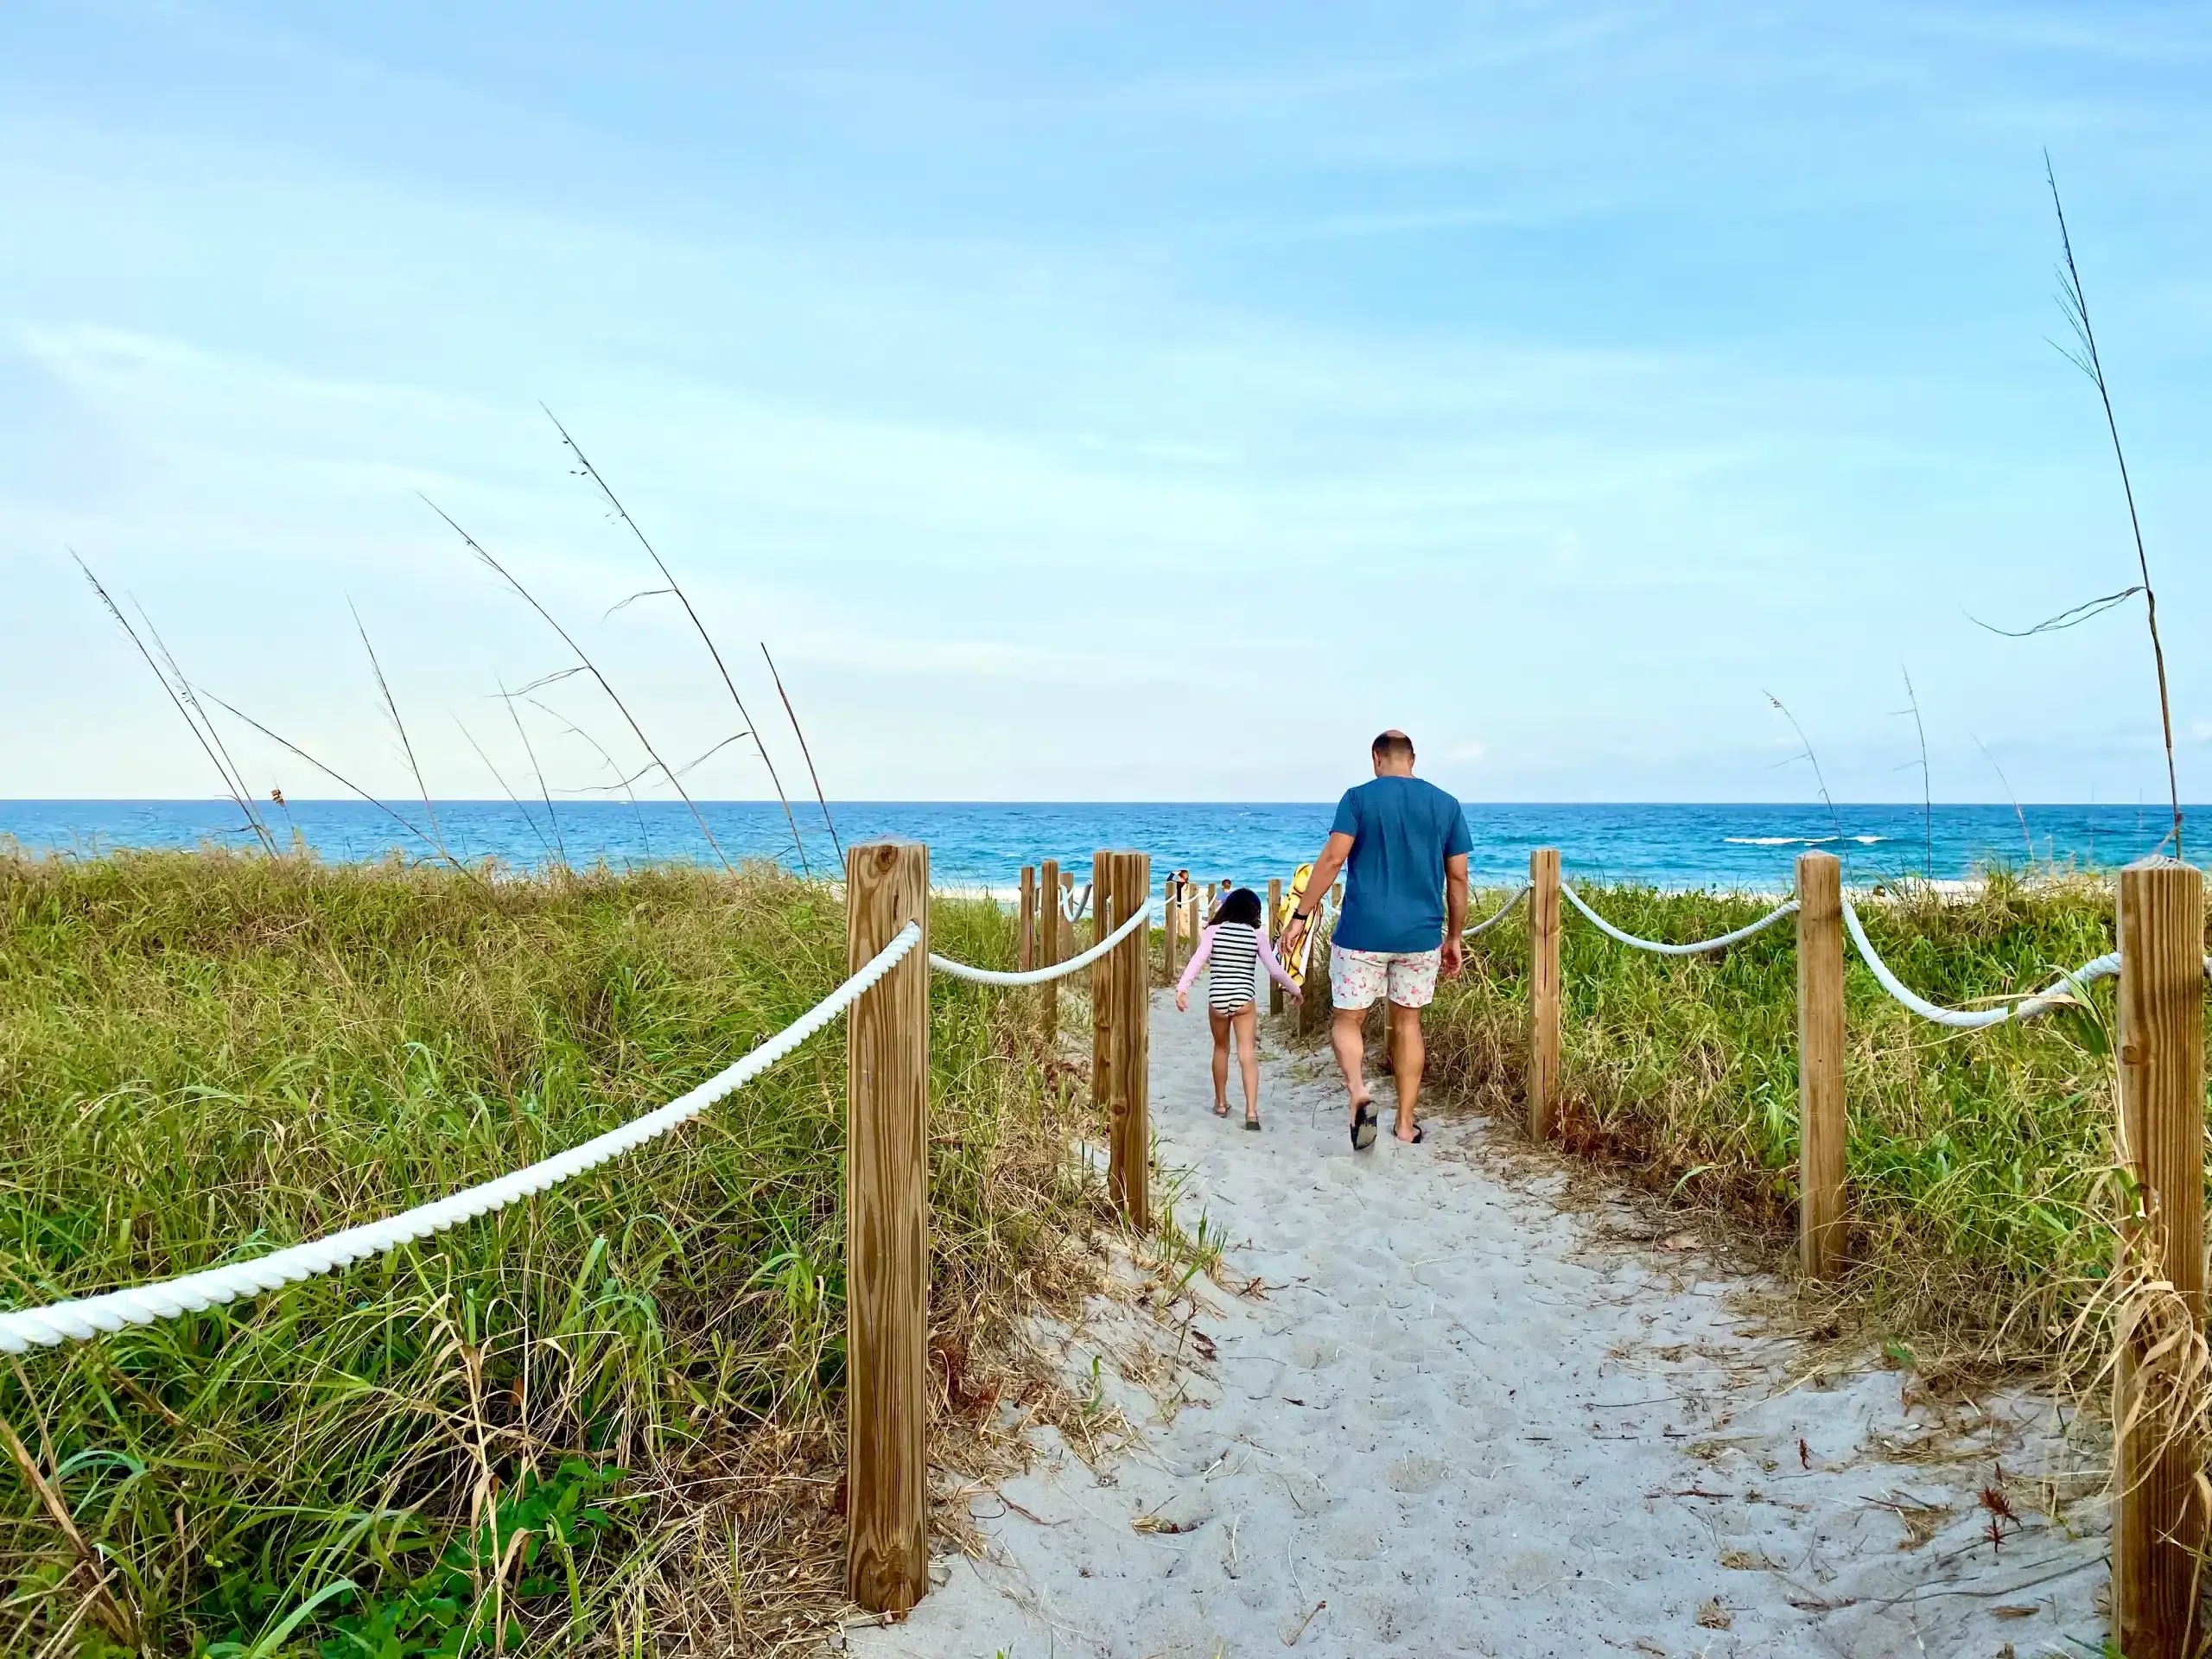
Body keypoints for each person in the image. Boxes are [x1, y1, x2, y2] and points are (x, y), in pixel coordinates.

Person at [1278, 730, 1470, 1149]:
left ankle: (1360, 1094)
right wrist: (1453, 937)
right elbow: (1457, 877)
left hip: (1361, 934)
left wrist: (1300, 915)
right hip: (1420, 936)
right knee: (1408, 1024)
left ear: (1376, 758)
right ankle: (1405, 1124)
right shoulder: (1447, 805)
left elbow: (1332, 859)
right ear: (1413, 760)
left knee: (1348, 1021)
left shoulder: (1358, 798)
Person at [1175, 887, 1301, 1130]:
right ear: (1254, 912)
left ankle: (1221, 1103)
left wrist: (1183, 988)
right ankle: (1252, 1112)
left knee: (1221, 1048)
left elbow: (1198, 960)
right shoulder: (1257, 936)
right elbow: (1275, 970)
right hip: (1244, 999)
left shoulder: (1213, 931)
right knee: (1247, 1053)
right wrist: (1295, 990)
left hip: (1218, 1000)